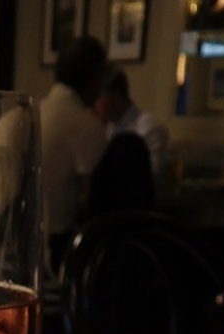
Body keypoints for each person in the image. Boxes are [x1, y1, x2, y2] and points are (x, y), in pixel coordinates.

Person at [40, 34, 109, 272]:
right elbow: (94, 202)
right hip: (57, 257)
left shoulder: (15, 118)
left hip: (5, 248)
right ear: (95, 79)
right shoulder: (87, 125)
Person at [96, 68, 170, 182]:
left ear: (115, 97)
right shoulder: (108, 130)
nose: (94, 106)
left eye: (97, 98)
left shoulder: (150, 129)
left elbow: (151, 176)